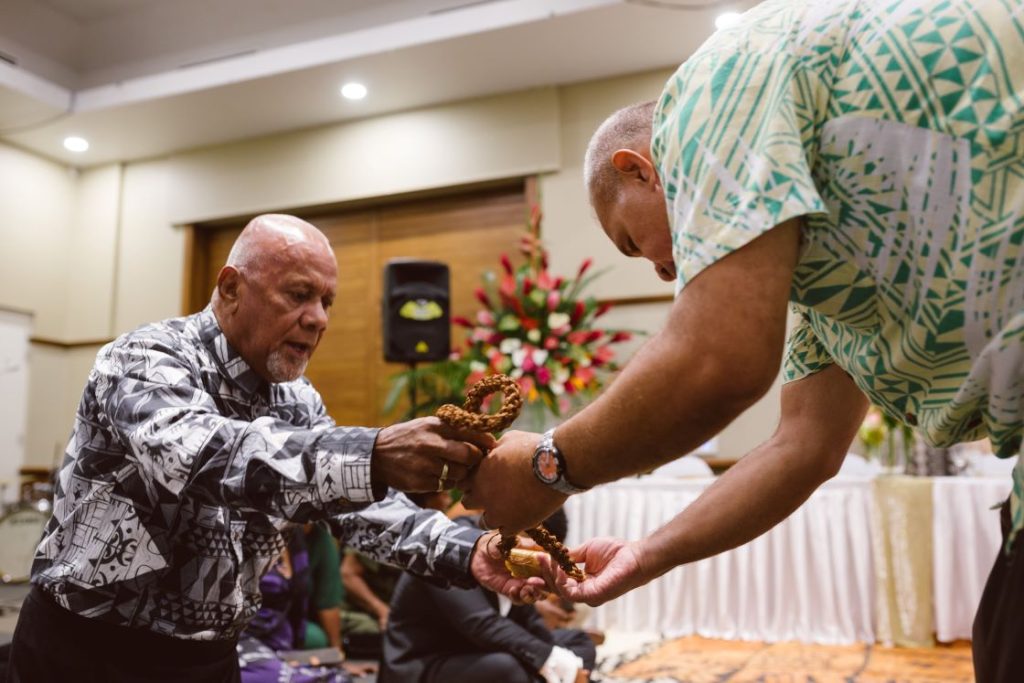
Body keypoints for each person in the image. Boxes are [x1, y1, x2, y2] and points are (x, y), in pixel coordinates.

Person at [463, 1, 1023, 680]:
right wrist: (650, 552)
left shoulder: (710, 90)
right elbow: (803, 447)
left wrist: (549, 466)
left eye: (633, 241)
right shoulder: (823, 285)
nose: (662, 271)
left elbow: (716, 361)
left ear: (640, 167)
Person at [8, 214, 543, 682]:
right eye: (299, 294)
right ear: (231, 287)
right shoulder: (145, 358)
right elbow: (207, 459)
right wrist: (373, 453)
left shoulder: (297, 399)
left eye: (327, 301)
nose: (319, 318)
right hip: (88, 652)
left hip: (208, 660)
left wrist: (469, 550)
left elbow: (357, 509)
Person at [379, 513, 595, 683]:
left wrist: (561, 662)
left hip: (477, 650)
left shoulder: (514, 555)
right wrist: (552, 661)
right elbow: (480, 623)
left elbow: (530, 620)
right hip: (426, 663)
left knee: (578, 642)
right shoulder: (452, 543)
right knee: (507, 668)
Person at [338, 491, 450, 658]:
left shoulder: (428, 531)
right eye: (443, 495)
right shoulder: (387, 527)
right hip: (361, 612)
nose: (448, 501)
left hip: (398, 612)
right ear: (425, 498)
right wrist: (382, 611)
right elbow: (348, 575)